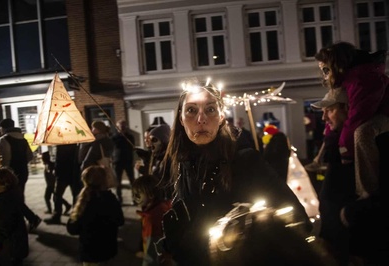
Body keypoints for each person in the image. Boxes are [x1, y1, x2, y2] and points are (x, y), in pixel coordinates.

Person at [155, 79, 313, 265]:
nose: (201, 119)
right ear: (181, 119)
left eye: (210, 109)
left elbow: (297, 218)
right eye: (191, 110)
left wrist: (243, 234)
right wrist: (174, 243)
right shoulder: (183, 164)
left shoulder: (245, 161)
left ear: (221, 116)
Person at [315, 42, 389, 198]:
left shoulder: (362, 79)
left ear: (336, 65)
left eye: (325, 70)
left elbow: (357, 116)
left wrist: (345, 150)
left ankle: (368, 191)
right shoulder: (349, 79)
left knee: (363, 133)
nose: (324, 75)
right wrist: (330, 138)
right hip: (379, 112)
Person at [311, 89, 358, 265]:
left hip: (349, 233)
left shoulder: (355, 139)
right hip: (334, 228)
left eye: (329, 110)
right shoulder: (337, 138)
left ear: (347, 108)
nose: (323, 118)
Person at [66, 165, 125, 265]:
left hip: (89, 253)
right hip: (107, 250)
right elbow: (120, 221)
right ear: (104, 181)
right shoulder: (110, 199)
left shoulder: (84, 202)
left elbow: (72, 228)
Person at [0, 118, 42, 231]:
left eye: (1, 128)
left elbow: (6, 159)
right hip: (23, 171)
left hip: (11, 173)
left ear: (4, 128)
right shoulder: (23, 140)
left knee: (13, 198)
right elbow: (30, 156)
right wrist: (21, 163)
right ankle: (22, 221)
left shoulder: (4, 140)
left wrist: (6, 171)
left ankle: (31, 219)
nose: (0, 130)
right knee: (18, 196)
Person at [0, 168, 29, 266]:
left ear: (4, 185)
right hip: (13, 245)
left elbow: (6, 223)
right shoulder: (8, 196)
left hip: (9, 246)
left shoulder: (5, 202)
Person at [132, 175, 172, 266]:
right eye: (133, 194)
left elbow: (152, 251)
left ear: (151, 195)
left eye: (138, 194)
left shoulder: (151, 219)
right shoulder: (163, 207)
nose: (134, 197)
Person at [44, 144, 79, 225]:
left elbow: (59, 160)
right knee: (75, 195)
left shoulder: (60, 145)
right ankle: (76, 217)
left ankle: (57, 216)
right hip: (72, 172)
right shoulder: (75, 144)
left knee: (57, 195)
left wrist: (55, 168)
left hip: (63, 173)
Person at [111, 119, 135, 204]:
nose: (122, 127)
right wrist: (120, 135)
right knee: (118, 181)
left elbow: (132, 146)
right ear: (117, 127)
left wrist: (125, 136)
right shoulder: (114, 137)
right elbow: (114, 146)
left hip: (128, 160)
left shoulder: (130, 136)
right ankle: (119, 198)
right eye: (121, 126)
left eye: (124, 126)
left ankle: (134, 198)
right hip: (117, 161)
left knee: (132, 181)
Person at [41, 151, 71, 215]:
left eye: (42, 157)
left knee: (48, 197)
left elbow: (52, 173)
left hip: (51, 185)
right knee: (57, 197)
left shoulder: (49, 165)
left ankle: (50, 210)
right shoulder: (49, 164)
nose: (42, 158)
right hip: (51, 184)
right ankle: (67, 205)